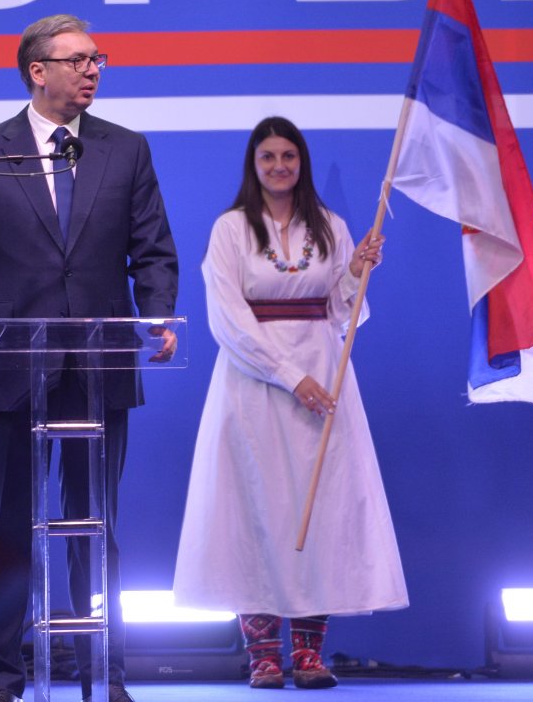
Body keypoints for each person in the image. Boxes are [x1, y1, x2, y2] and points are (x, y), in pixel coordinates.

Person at [0, 14, 179, 702]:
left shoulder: (125, 150)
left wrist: (158, 313)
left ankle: (103, 675)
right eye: (78, 60)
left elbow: (153, 249)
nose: (93, 70)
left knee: (95, 527)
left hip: (99, 366)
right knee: (5, 527)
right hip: (13, 366)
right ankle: (1, 678)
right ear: (37, 71)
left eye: (97, 59)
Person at [172, 116, 408, 690]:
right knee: (255, 510)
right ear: (253, 165)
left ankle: (308, 653)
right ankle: (262, 654)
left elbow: (342, 313)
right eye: (268, 157)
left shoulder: (330, 226)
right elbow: (228, 318)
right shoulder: (231, 229)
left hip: (323, 382)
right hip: (253, 385)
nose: (279, 166)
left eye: (289, 156)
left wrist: (355, 273)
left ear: (301, 163)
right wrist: (287, 374)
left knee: (318, 508)